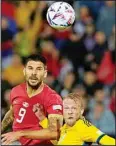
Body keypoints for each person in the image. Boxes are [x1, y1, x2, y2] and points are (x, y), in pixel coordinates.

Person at [2, 93, 115, 145]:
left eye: (74, 108)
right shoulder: (66, 127)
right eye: (66, 108)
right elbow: (57, 140)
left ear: (81, 111)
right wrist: (42, 118)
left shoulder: (83, 126)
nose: (70, 111)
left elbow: (108, 140)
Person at [1, 54, 63, 145]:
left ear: (45, 73)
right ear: (24, 71)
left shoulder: (53, 98)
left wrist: (20, 134)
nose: (34, 73)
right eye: (30, 68)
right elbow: (12, 113)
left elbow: (55, 133)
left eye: (38, 69)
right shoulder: (15, 90)